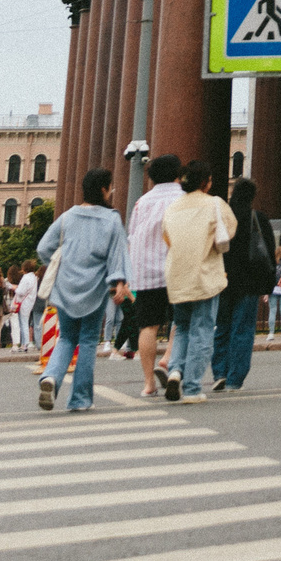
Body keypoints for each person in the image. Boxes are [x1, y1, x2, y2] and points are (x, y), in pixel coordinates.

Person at [35, 167, 132, 413]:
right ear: (103, 189)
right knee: (88, 341)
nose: (112, 191)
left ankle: (51, 377)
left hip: (66, 286)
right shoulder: (111, 219)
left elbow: (43, 248)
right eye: (110, 186)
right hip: (95, 288)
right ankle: (79, 399)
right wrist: (119, 282)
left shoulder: (68, 217)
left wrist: (62, 263)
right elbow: (118, 256)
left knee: (66, 338)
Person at [161, 160, 235, 403]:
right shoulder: (214, 203)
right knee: (202, 330)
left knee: (181, 326)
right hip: (204, 274)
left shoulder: (172, 207)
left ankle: (174, 371)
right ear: (205, 182)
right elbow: (230, 230)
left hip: (177, 275)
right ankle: (192, 387)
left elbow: (167, 238)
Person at [125, 154, 184, 394]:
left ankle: (148, 383)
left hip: (146, 272)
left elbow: (131, 237)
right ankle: (168, 358)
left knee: (147, 327)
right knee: (181, 320)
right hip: (177, 269)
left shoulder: (142, 202)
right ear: (177, 174)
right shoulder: (182, 198)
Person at [214, 177, 276, 394]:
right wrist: (268, 284)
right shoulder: (257, 218)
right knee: (243, 329)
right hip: (249, 282)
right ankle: (234, 379)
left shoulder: (223, 218)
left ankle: (219, 372)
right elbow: (268, 251)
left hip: (222, 280)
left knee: (222, 326)